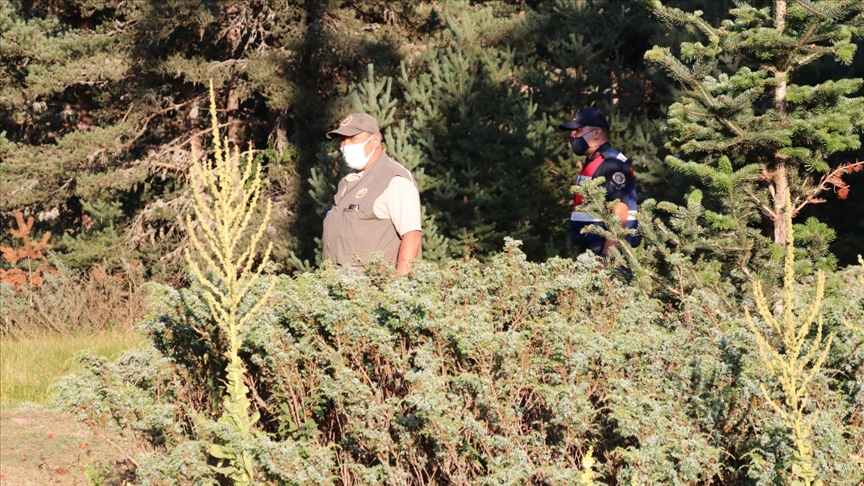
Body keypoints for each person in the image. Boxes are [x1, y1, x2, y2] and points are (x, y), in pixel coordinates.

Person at [322, 113, 422, 275]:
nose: (346, 146)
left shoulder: (393, 178)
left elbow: (412, 236)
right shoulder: (348, 182)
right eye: (342, 140)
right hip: (342, 290)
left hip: (376, 293)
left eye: (353, 139)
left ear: (375, 141)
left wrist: (399, 289)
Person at [560, 107, 639, 256]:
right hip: (590, 251)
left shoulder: (612, 164)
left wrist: (606, 257)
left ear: (596, 133)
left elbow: (619, 211)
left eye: (578, 130)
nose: (572, 135)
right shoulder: (594, 161)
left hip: (607, 253)